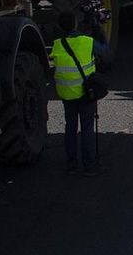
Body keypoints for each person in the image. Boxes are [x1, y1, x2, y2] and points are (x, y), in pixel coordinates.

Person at [51, 10, 102, 175]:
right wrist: (98, 28)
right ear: (75, 24)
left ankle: (71, 163)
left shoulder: (57, 45)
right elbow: (106, 53)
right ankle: (89, 165)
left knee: (70, 128)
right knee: (87, 129)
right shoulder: (87, 42)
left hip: (66, 93)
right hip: (86, 93)